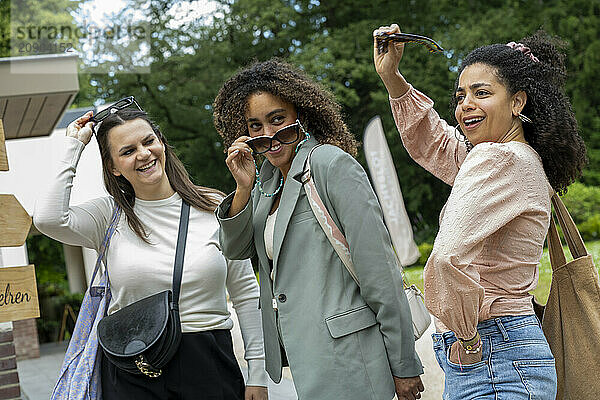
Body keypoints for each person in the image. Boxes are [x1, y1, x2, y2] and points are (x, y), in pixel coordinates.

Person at [373, 24, 587, 399]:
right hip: (507, 355)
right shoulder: (517, 159)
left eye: (481, 93)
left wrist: (467, 338)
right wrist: (392, 78)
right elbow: (437, 144)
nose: (464, 105)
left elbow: (446, 258)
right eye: (460, 96)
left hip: (491, 354)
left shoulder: (496, 159)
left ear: (518, 102)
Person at [212, 58, 424, 400]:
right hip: (302, 362)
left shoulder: (330, 164)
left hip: (352, 358)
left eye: (277, 119)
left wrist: (404, 364)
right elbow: (235, 249)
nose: (268, 135)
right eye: (255, 126)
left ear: (302, 114)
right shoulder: (265, 182)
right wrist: (243, 188)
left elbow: (379, 272)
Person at [34, 105, 269, 400]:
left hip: (208, 363)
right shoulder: (108, 216)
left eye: (148, 141)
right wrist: (74, 145)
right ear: (113, 166)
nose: (143, 154)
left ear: (161, 143)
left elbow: (246, 293)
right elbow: (47, 219)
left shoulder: (213, 206)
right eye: (128, 151)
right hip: (133, 367)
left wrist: (257, 375)